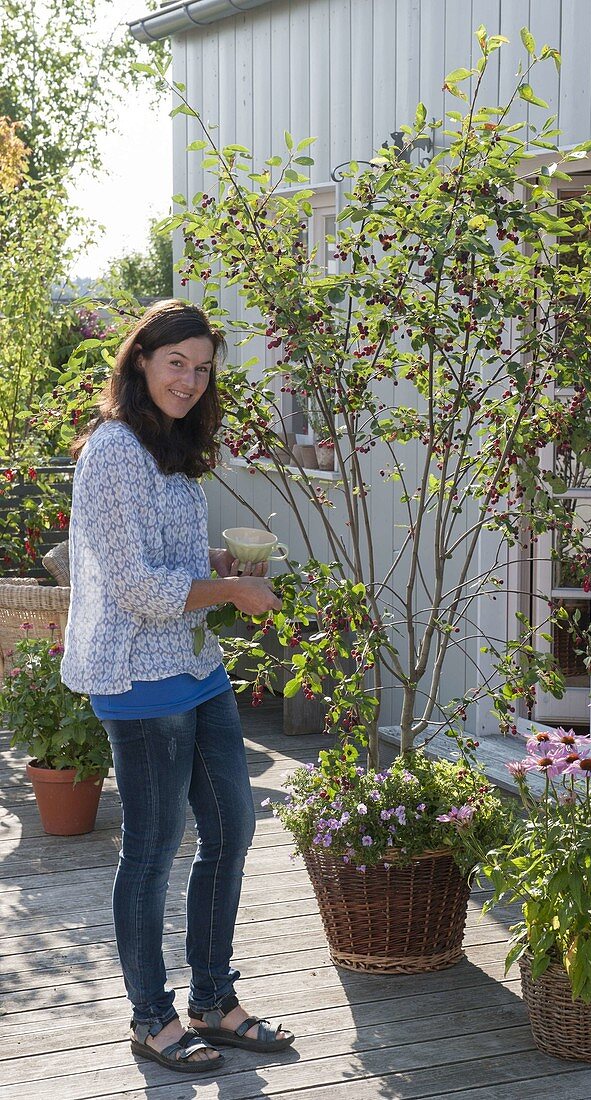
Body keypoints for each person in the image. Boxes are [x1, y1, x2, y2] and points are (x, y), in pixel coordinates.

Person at [60, 299, 294, 1074]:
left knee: (231, 831)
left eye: (202, 368)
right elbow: (135, 589)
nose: (190, 380)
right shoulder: (115, 450)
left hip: (195, 668)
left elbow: (169, 569)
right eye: (175, 364)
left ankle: (214, 1000)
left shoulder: (166, 447)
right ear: (139, 363)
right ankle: (152, 1017)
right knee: (154, 851)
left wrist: (219, 573)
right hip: (139, 675)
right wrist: (228, 596)